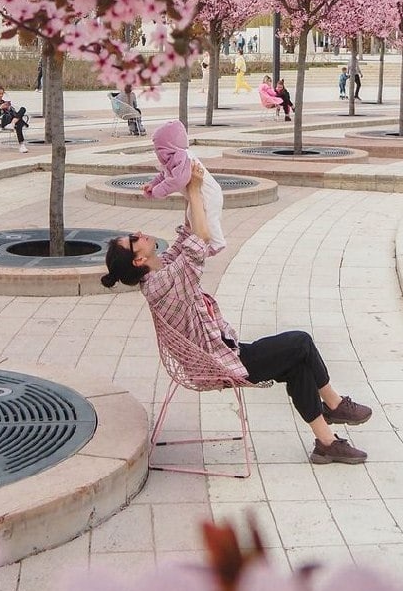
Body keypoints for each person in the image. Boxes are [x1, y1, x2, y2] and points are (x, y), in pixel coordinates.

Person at [103, 163, 372, 465]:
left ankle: (326, 443)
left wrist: (183, 183)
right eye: (133, 238)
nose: (138, 233)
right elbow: (200, 239)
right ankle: (334, 406)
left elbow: (188, 234)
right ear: (139, 260)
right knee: (301, 342)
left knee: (298, 366)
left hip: (225, 352)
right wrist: (192, 189)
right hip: (220, 364)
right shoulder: (164, 284)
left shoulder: (162, 269)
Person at [144, 120, 225, 253]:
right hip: (199, 194)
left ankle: (217, 243)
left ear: (168, 146)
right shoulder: (173, 159)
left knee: (209, 219)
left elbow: (178, 181)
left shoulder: (182, 157)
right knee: (192, 217)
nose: (157, 153)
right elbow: (165, 175)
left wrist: (157, 191)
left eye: (158, 149)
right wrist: (152, 185)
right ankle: (197, 244)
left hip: (210, 195)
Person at [0, 85, 30, 149]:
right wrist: (0, 108)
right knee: (14, 119)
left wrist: (9, 108)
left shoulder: (3, 102)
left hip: (10, 119)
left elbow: (13, 112)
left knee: (23, 109)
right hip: (1, 122)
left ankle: (13, 123)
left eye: (2, 94)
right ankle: (22, 145)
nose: (1, 95)